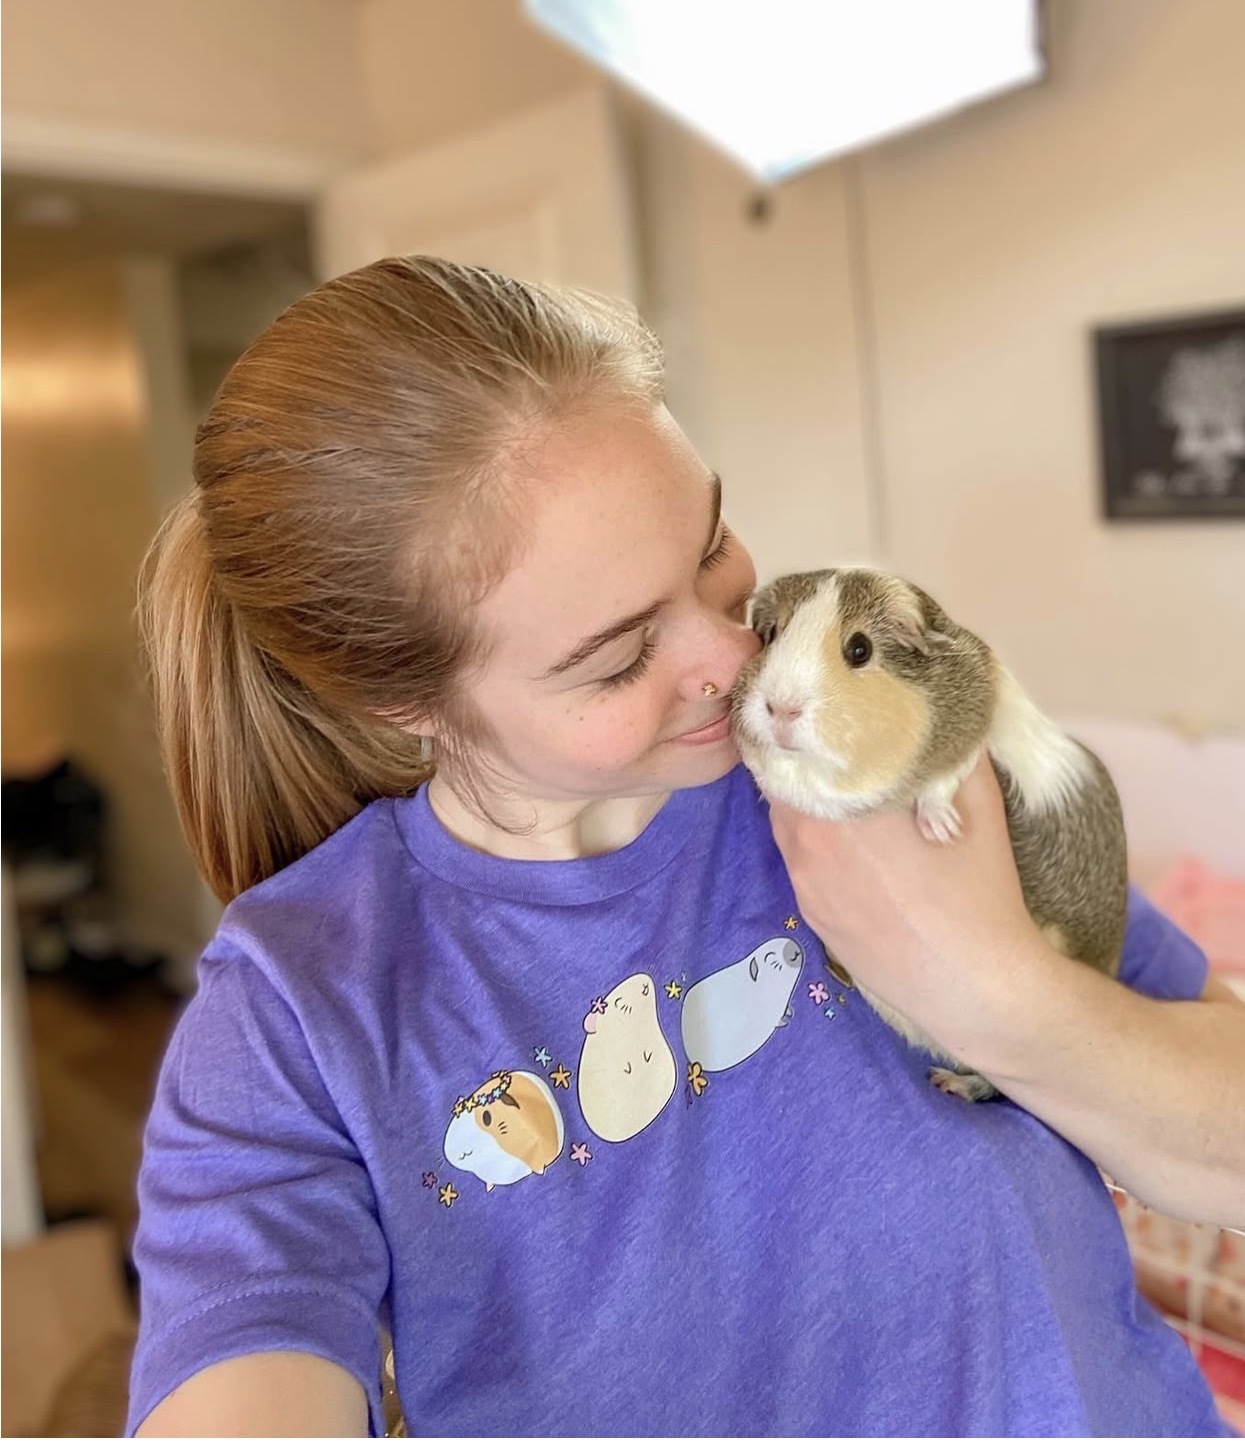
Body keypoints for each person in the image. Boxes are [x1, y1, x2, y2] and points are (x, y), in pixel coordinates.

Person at [127, 256, 1242, 1437]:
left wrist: (998, 992)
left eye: (711, 549)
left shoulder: (891, 770)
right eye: (616, 657)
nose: (731, 659)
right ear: (409, 706)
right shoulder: (301, 1007)